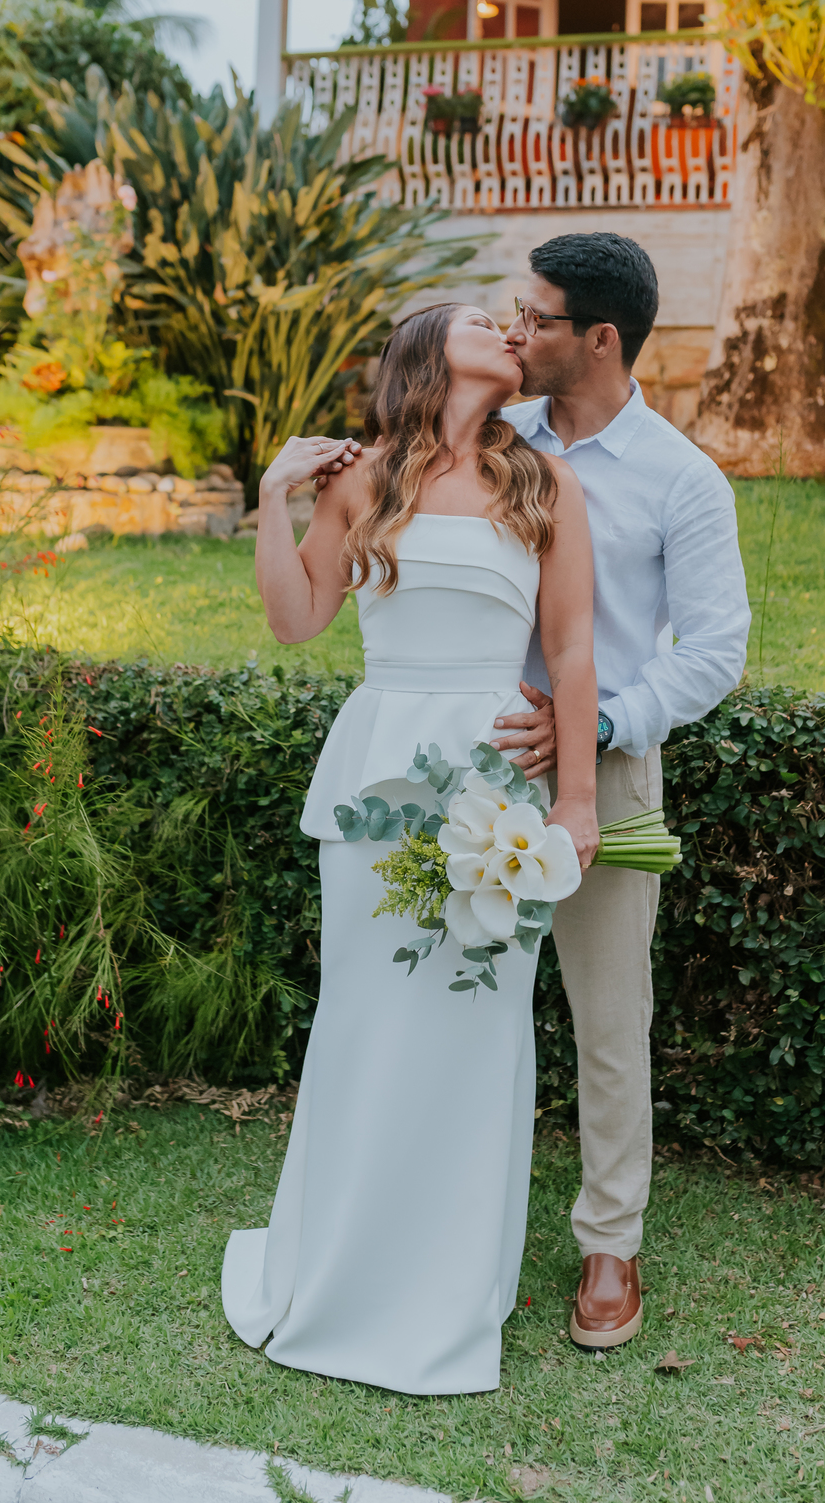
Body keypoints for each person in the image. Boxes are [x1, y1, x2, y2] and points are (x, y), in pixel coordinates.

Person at [221, 301, 599, 1396]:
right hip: (380, 774)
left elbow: (571, 650)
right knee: (369, 1023)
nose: (510, 330)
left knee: (478, 1037)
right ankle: (339, 1272)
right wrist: (274, 497)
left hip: (495, 789)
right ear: (430, 354)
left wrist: (576, 805)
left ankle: (448, 1292)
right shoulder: (365, 476)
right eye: (485, 319)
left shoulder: (542, 482)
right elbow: (298, 621)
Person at [489, 231, 750, 1350]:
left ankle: (610, 1246)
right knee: (466, 1005)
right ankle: (460, 1221)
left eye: (538, 317)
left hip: (610, 770)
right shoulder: (493, 445)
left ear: (599, 338)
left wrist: (593, 726)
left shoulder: (681, 479)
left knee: (608, 1021)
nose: (518, 329)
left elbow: (715, 651)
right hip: (483, 752)